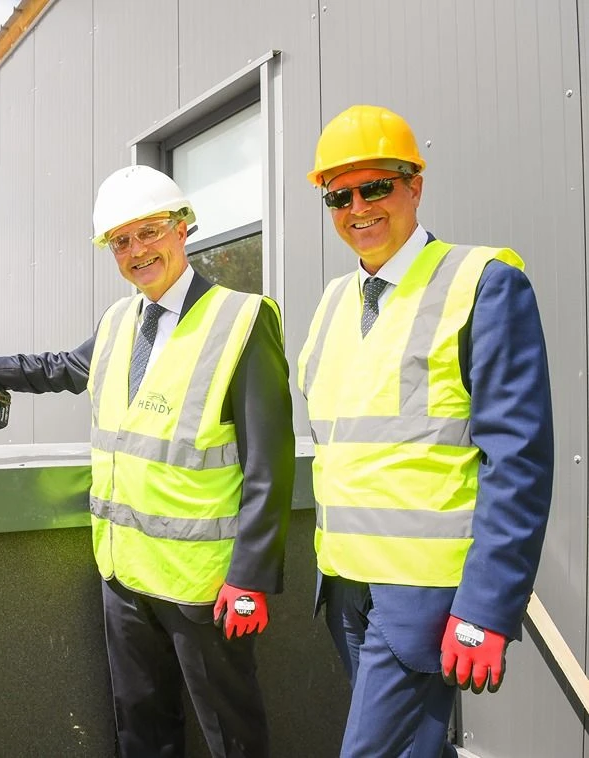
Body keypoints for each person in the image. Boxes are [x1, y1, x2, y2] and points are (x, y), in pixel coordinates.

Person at [0, 165, 294, 757]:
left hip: (204, 584)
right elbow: (62, 367)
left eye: (150, 232)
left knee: (231, 733)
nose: (137, 251)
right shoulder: (118, 322)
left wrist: (250, 579)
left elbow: (270, 462)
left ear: (183, 229)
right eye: (121, 241)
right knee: (141, 730)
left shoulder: (241, 320)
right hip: (124, 575)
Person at [298, 104, 554, 758]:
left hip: (424, 595)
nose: (357, 207)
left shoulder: (483, 284)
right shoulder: (332, 303)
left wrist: (487, 611)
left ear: (415, 183)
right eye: (339, 195)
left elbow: (517, 462)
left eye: (375, 185)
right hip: (345, 588)